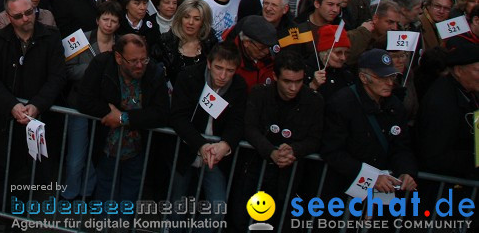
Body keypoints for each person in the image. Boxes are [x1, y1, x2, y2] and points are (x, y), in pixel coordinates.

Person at [0, 0, 66, 207]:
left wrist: (37, 105)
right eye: (18, 16)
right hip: (6, 121)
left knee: (33, 170)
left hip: (39, 120)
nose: (26, 18)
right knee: (4, 167)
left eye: (29, 12)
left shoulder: (51, 36)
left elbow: (58, 76)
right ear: (9, 17)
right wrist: (12, 105)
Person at [77, 33, 170, 202]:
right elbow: (84, 100)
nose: (140, 65)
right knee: (105, 191)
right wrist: (107, 111)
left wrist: (123, 118)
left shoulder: (154, 72)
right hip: (106, 146)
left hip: (138, 149)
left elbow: (161, 112)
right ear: (119, 58)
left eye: (144, 59)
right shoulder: (102, 64)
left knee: (130, 194)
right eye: (133, 61)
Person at [238, 51, 324, 231]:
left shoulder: (314, 101)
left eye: (298, 81)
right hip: (255, 172)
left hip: (292, 180)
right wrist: (271, 151)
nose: (293, 88)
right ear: (275, 77)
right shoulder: (260, 94)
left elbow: (315, 138)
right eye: (287, 81)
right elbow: (249, 128)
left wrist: (294, 150)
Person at [321, 49, 419, 196]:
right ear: (363, 78)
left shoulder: (395, 105)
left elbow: (401, 146)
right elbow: (332, 150)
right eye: (382, 77)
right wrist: (370, 176)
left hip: (382, 192)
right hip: (343, 190)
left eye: (392, 76)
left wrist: (406, 172)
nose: (389, 82)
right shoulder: (342, 103)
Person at [169, 43, 247, 226]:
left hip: (216, 157)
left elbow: (238, 122)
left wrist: (225, 145)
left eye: (229, 70)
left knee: (218, 208)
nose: (223, 75)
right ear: (209, 64)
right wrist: (201, 145)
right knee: (176, 208)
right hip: (186, 151)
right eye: (219, 68)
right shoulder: (189, 77)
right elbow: (178, 117)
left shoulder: (239, 86)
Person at [61, 1, 121, 200]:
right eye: (105, 19)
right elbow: (68, 69)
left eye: (113, 20)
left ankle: (87, 192)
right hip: (79, 103)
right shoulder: (80, 39)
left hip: (106, 106)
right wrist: (95, 70)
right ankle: (70, 192)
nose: (109, 24)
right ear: (97, 20)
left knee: (97, 152)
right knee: (76, 154)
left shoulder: (120, 45)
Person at [416, 34, 479, 178]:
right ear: (458, 70)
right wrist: (475, 159)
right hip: (447, 192)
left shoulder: (467, 91)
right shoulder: (441, 102)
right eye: (478, 71)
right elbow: (435, 155)